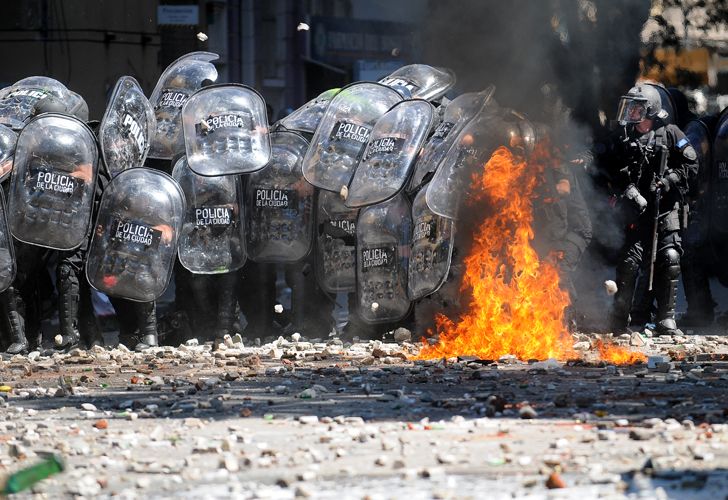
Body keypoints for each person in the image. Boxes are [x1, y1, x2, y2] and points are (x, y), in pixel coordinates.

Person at [603, 84, 697, 335]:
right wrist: (629, 190)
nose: (631, 113)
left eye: (637, 108)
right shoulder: (623, 135)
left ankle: (666, 319)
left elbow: (691, 164)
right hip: (636, 210)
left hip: (665, 208)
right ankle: (619, 319)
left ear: (651, 111)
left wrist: (668, 181)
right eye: (629, 107)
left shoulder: (671, 133)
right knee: (629, 263)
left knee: (670, 258)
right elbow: (609, 166)